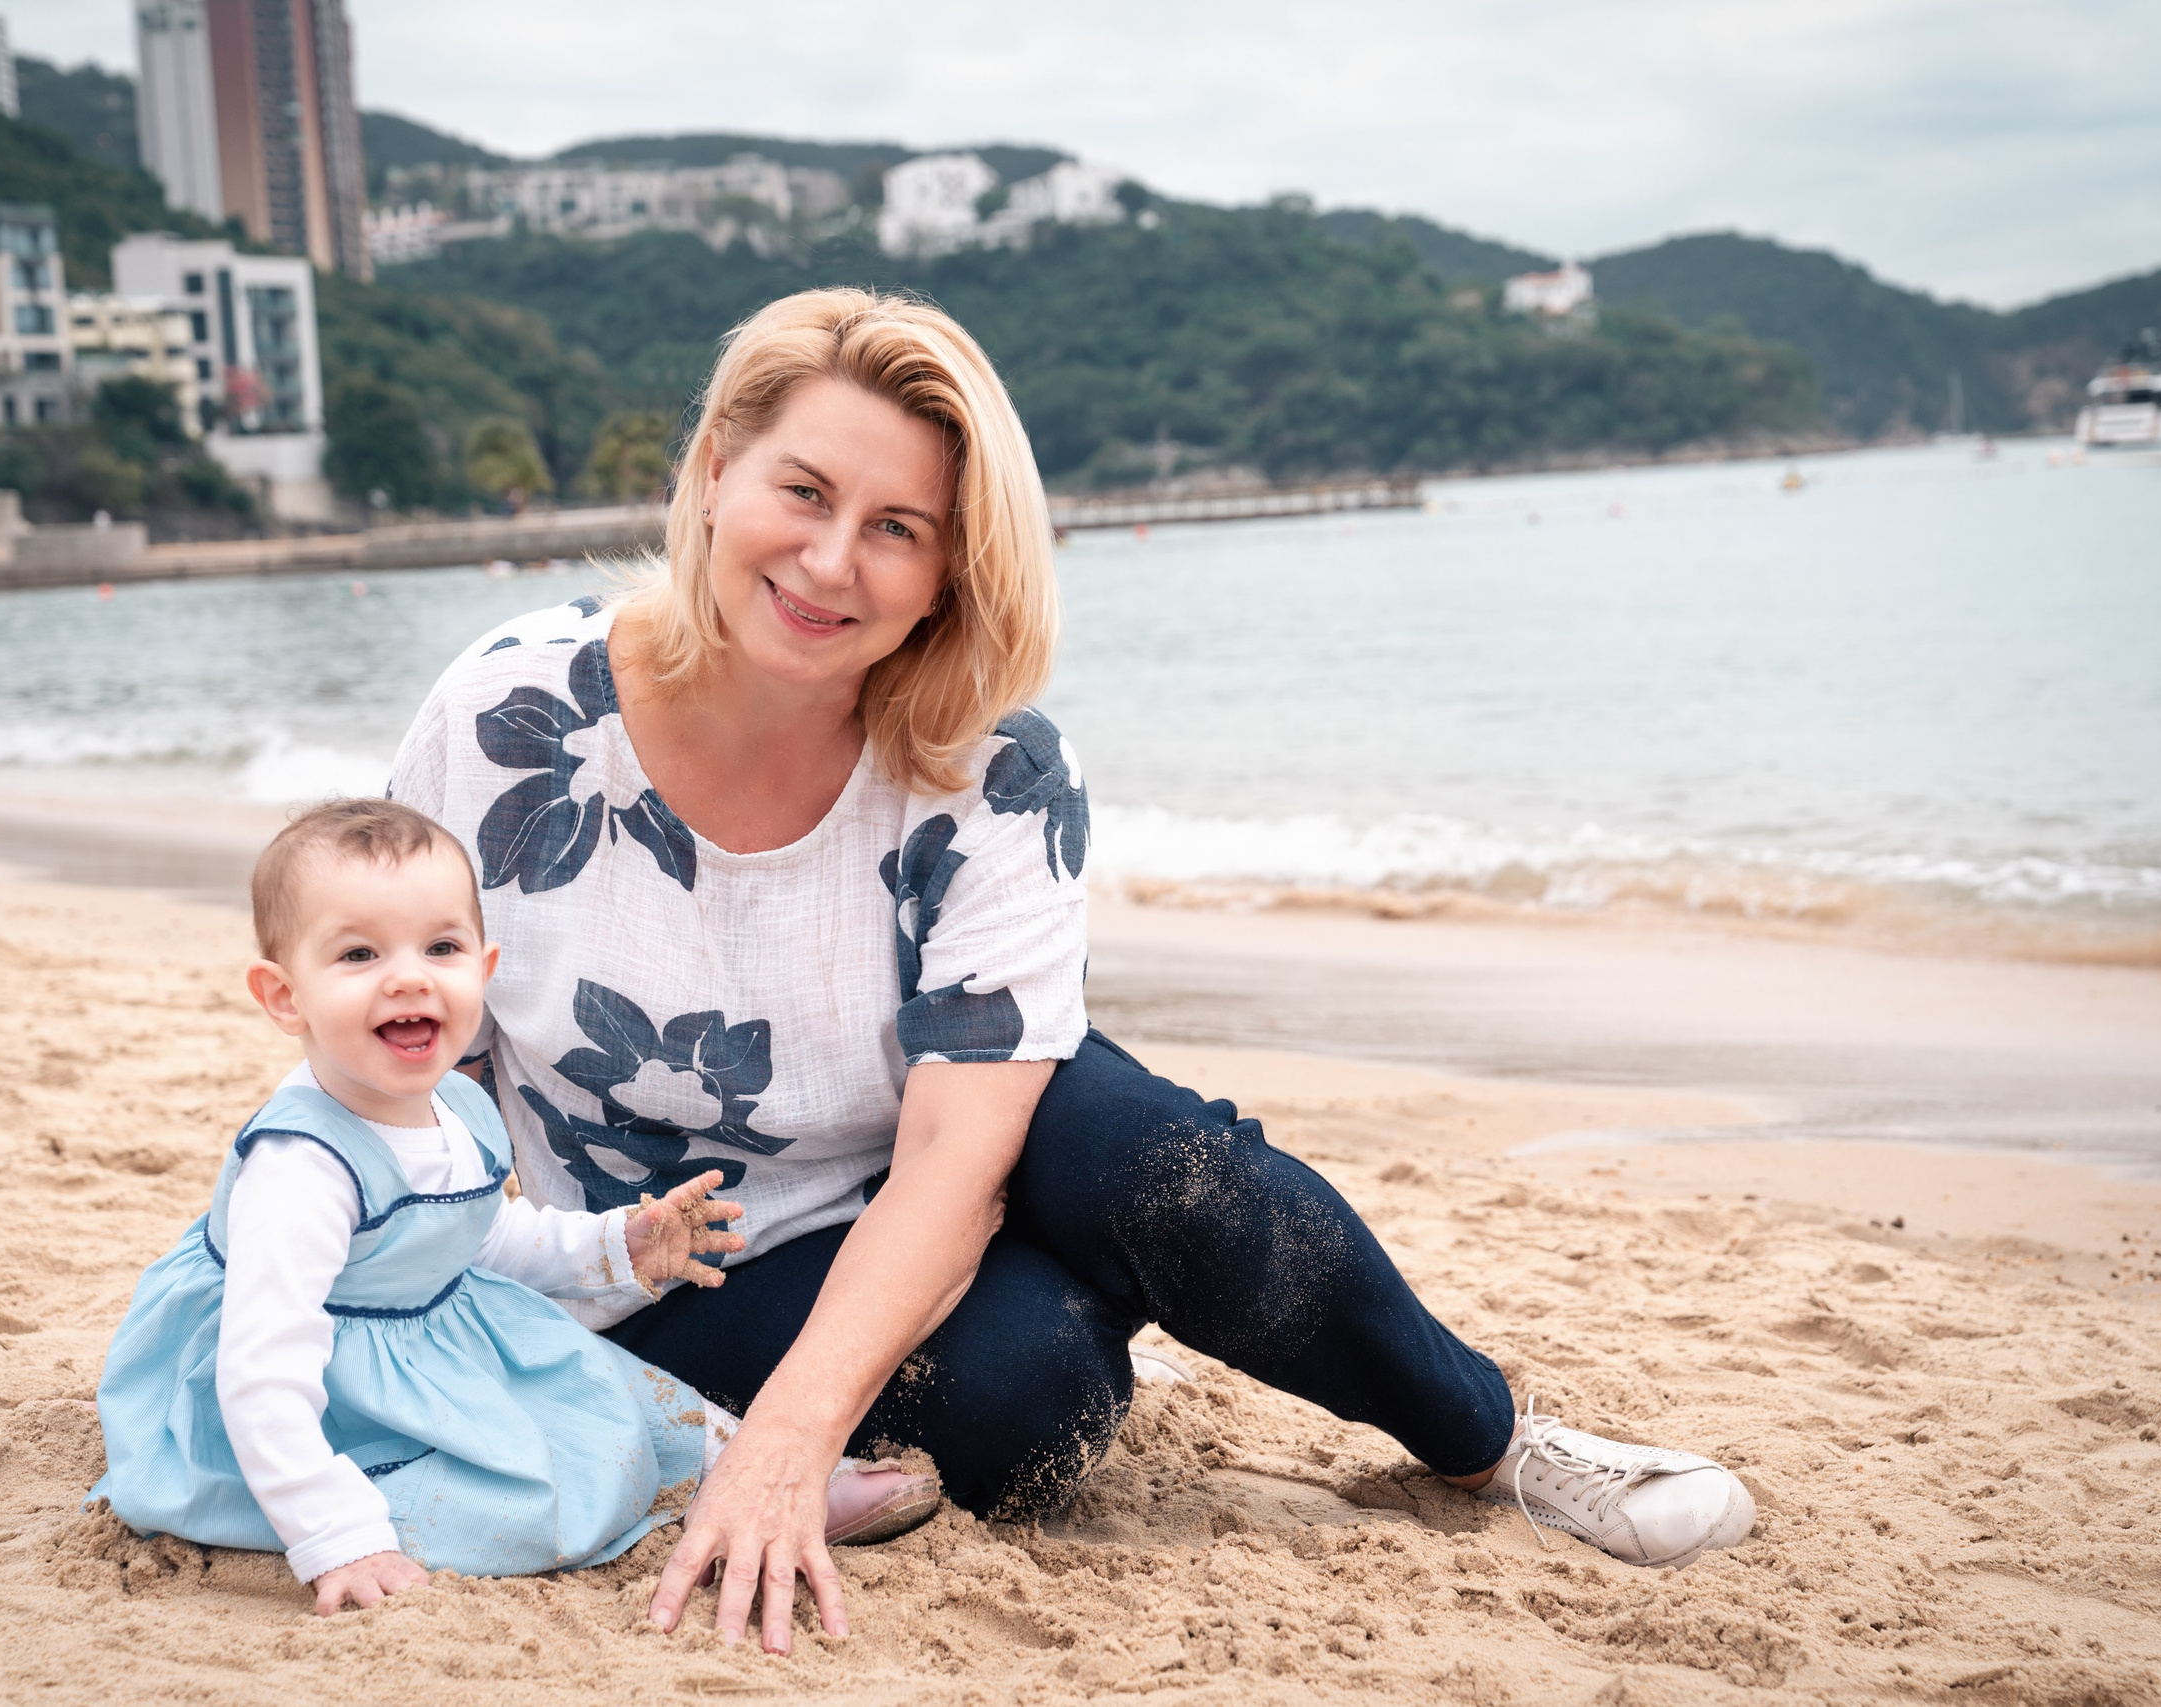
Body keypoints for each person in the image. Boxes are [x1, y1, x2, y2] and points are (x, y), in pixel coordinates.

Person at [389, 288, 1754, 1655]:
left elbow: (951, 1159)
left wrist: (787, 1444)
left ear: (951, 570)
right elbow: (398, 1062)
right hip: (689, 1262)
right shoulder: (513, 718)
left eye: (897, 529)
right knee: (1024, 1393)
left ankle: (1494, 1439)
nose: (827, 560)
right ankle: (1074, 1297)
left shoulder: (994, 763)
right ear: (711, 473)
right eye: (801, 491)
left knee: (1172, 1171)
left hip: (945, 1148)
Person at [90, 798, 937, 1617]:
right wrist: (335, 1538)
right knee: (529, 1497)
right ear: (284, 996)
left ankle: (760, 1476)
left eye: (442, 946)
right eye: (357, 956)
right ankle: (387, 1507)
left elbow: (480, 1234)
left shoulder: (455, 1105)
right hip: (317, 1382)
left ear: (485, 972)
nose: (409, 976)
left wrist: (619, 1246)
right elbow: (262, 1370)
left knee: (618, 1392)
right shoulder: (303, 1166)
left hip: (433, 1329)